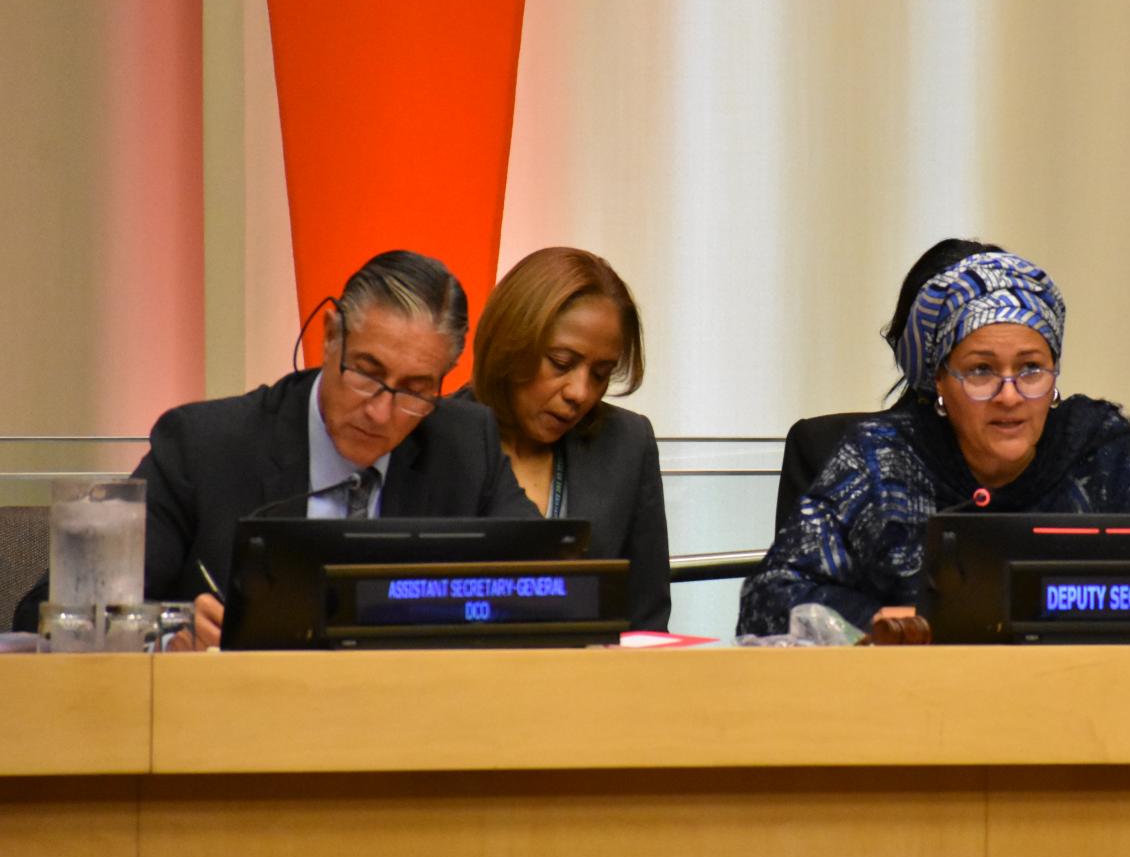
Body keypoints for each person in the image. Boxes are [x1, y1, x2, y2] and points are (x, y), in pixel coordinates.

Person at [15, 250, 538, 644]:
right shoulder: (205, 447)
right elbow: (49, 615)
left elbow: (547, 587)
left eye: (415, 391)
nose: (381, 411)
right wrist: (169, 634)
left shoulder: (466, 446)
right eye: (367, 373)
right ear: (331, 337)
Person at [739, 249, 1130, 635]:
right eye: (981, 371)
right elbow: (768, 600)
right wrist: (875, 620)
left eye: (1030, 369)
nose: (1009, 396)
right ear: (939, 383)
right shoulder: (882, 461)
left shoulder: (1102, 453)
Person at [467, 247, 670, 631]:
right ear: (511, 341)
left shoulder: (626, 443)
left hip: (593, 685)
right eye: (561, 363)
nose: (580, 392)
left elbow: (646, 621)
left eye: (601, 374)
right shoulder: (435, 437)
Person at [772, 238, 1003, 532]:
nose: (1007, 389)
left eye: (1029, 366)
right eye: (980, 365)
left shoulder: (1060, 466)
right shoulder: (831, 452)